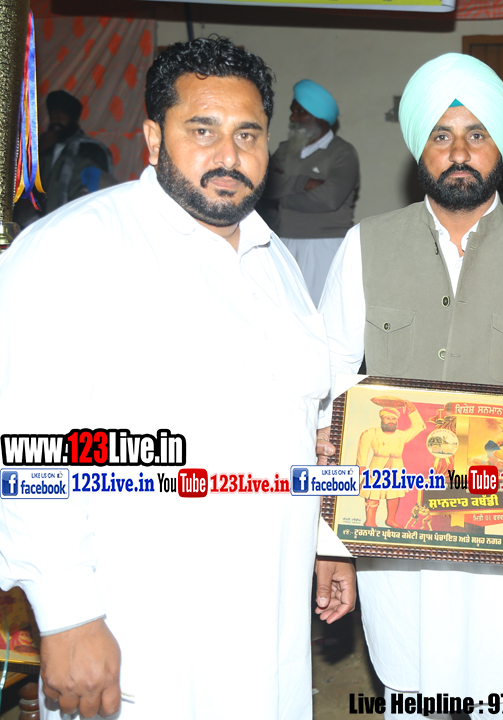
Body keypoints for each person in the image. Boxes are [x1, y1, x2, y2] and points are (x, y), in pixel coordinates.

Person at [0, 37, 356, 720]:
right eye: (202, 130)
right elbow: (28, 443)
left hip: (267, 623)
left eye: (247, 134)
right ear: (153, 138)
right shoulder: (76, 248)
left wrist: (325, 541)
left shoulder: (274, 262)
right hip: (140, 631)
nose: (229, 155)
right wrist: (67, 613)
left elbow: (305, 421)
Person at [316, 53, 503, 718]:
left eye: (476, 134)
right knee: (411, 692)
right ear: (420, 147)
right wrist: (331, 544)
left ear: (502, 147)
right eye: (441, 135)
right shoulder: (365, 246)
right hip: (395, 532)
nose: (460, 152)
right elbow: (328, 394)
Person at [261, 79, 360, 303]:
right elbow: (265, 187)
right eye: (293, 111)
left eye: (301, 112)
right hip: (283, 243)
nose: (293, 118)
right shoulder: (285, 150)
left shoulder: (342, 153)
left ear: (320, 118)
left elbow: (330, 198)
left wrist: (281, 199)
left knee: (323, 312)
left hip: (326, 246)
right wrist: (304, 182)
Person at [16, 90, 115, 224]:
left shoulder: (91, 150)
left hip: (76, 224)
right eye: (52, 116)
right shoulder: (45, 147)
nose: (56, 121)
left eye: (61, 116)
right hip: (42, 224)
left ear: (73, 119)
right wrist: (37, 152)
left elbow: (100, 192)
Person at [355, 400, 426, 527]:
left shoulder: (402, 435)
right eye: (388, 418)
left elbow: (418, 427)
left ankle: (391, 520)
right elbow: (363, 448)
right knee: (373, 492)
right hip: (377, 464)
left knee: (394, 492)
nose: (391, 421)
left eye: (394, 419)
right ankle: (370, 521)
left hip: (396, 465)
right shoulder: (371, 432)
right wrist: (361, 465)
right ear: (382, 419)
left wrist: (412, 410)